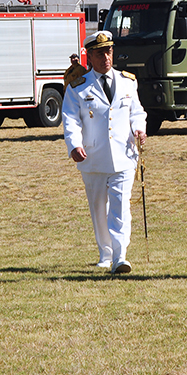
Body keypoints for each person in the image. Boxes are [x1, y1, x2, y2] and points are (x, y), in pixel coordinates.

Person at [62, 30, 147, 274]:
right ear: (89, 56)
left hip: (124, 156)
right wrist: (74, 145)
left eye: (108, 52)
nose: (106, 58)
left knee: (121, 207)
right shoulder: (77, 87)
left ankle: (121, 257)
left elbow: (137, 112)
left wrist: (139, 129)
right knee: (99, 208)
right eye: (100, 54)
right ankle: (105, 253)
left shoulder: (128, 81)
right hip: (93, 157)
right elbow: (71, 120)